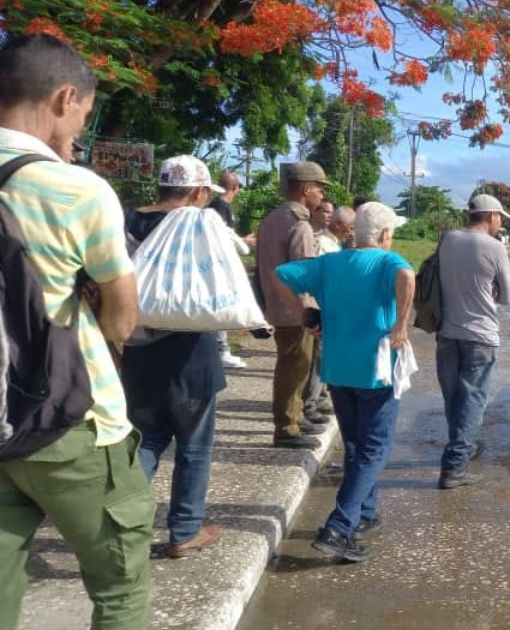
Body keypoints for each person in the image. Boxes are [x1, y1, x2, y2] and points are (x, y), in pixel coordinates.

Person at [0, 35, 152, 628]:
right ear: (66, 97)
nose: (77, 133)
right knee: (119, 584)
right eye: (83, 115)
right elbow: (121, 316)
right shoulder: (74, 187)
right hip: (67, 420)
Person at [275, 202, 415, 562]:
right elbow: (407, 278)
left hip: (337, 368)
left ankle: (364, 514)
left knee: (355, 443)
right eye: (392, 233)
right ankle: (339, 526)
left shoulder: (331, 261)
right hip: (375, 370)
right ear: (384, 235)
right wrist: (400, 324)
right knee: (375, 447)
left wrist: (304, 313)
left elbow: (281, 274)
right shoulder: (387, 262)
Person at [121, 155, 227, 559]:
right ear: (199, 192)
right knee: (194, 447)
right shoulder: (199, 223)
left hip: (138, 351)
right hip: (191, 357)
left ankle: (122, 528)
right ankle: (184, 532)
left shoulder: (127, 222)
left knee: (145, 439)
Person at [434, 194, 510, 489]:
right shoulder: (495, 247)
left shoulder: (447, 239)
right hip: (480, 335)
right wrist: (489, 288)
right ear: (491, 216)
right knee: (472, 399)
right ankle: (454, 466)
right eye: (500, 217)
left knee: (454, 398)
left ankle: (466, 443)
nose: (501, 222)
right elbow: (506, 297)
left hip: (446, 332)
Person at [256, 161, 328, 448]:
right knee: (295, 367)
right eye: (319, 190)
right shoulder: (300, 225)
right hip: (295, 310)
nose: (321, 196)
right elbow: (303, 275)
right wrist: (310, 312)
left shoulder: (271, 220)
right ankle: (286, 427)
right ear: (306, 189)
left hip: (276, 305)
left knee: (293, 364)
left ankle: (294, 418)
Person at [207, 170, 252, 369]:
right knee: (220, 305)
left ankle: (222, 348)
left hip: (222, 263)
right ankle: (220, 350)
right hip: (217, 265)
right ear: (235, 187)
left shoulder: (222, 207)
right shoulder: (219, 207)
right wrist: (244, 242)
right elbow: (221, 236)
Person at [300, 200, 338, 425]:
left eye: (332, 213)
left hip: (326, 306)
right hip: (317, 306)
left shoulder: (330, 241)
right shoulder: (322, 242)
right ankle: (311, 403)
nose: (329, 216)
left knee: (322, 355)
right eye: (325, 211)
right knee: (317, 357)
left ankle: (321, 396)